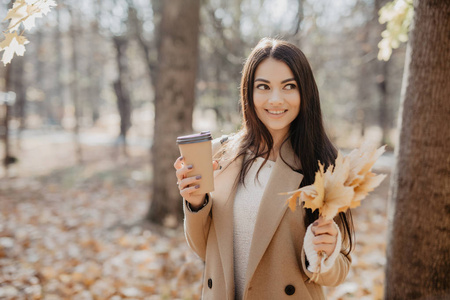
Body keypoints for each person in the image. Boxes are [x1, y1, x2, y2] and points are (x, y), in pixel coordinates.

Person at [174, 37, 354, 300]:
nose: (276, 99)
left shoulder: (324, 163)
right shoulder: (219, 154)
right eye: (264, 87)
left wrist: (326, 252)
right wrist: (195, 203)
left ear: (305, 92)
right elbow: (205, 251)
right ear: (249, 92)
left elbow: (339, 271)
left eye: (289, 86)